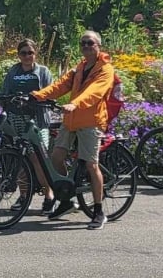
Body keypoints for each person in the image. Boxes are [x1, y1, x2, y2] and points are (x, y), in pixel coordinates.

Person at [31, 31, 117, 229]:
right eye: (83, 43)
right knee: (55, 158)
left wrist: (75, 103)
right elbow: (60, 86)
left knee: (90, 165)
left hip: (91, 121)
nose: (86, 46)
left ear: (98, 46)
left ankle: (98, 210)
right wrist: (38, 95)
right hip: (71, 120)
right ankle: (67, 200)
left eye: (90, 43)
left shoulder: (106, 69)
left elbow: (94, 92)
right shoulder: (79, 67)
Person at [0, 38, 55, 211]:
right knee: (21, 158)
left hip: (37, 120)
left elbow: (51, 94)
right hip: (17, 119)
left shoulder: (43, 72)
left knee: (39, 159)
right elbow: (6, 93)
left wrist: (35, 97)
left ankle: (49, 196)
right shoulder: (13, 72)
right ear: (18, 55)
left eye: (30, 53)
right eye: (23, 53)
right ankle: (24, 196)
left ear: (35, 54)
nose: (27, 56)